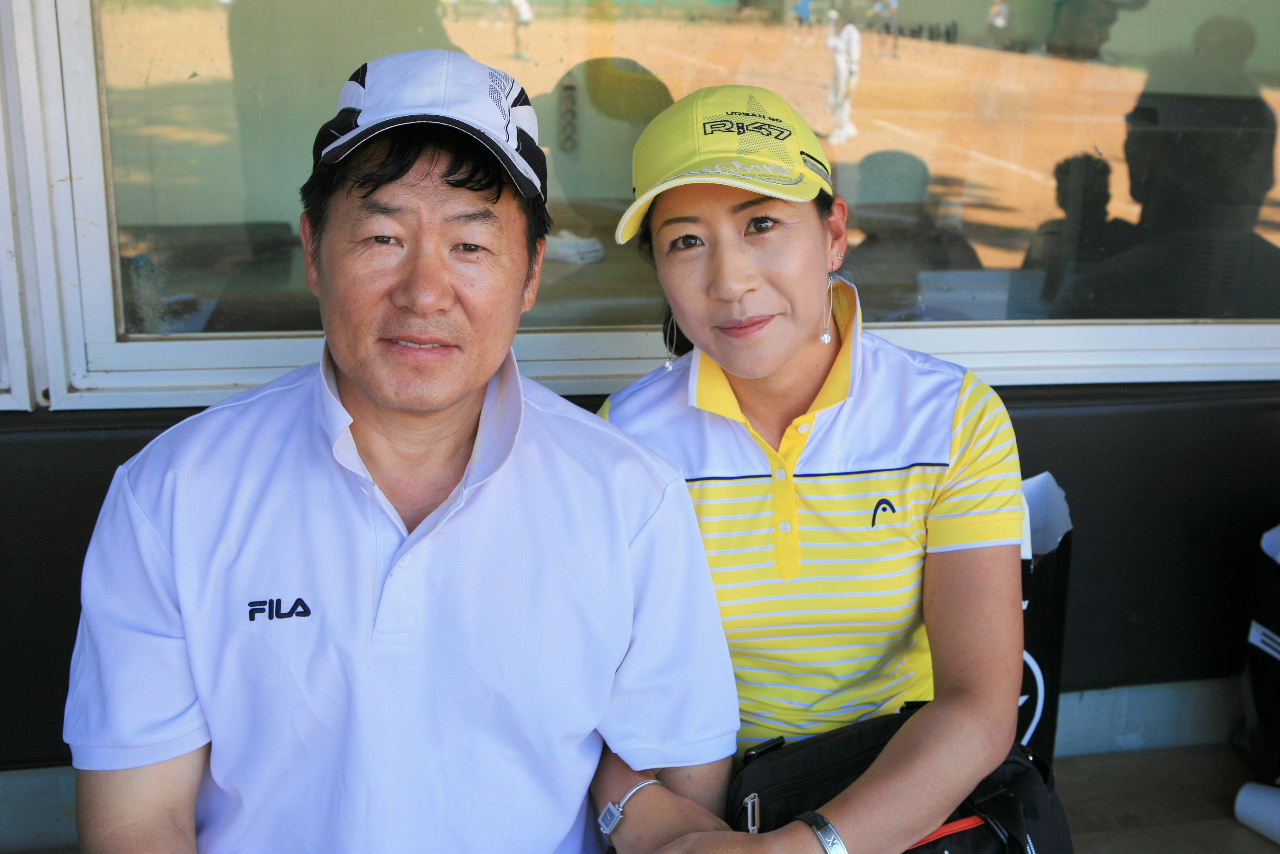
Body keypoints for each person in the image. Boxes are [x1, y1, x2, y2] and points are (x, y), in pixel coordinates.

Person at [64, 49, 740, 854]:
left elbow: (678, 790)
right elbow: (139, 820)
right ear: (313, 252)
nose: (423, 293)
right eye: (382, 237)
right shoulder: (174, 493)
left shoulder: (628, 497)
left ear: (531, 275)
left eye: (470, 246)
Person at [602, 85, 1026, 852]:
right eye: (686, 241)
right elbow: (599, 694)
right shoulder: (626, 439)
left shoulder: (950, 418)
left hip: (893, 791)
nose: (730, 281)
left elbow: (979, 707)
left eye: (761, 224)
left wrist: (803, 848)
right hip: (702, 803)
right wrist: (643, 817)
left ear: (834, 235)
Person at [826, 4, 862, 144]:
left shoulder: (852, 32)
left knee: (843, 102)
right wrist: (831, 25)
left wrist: (851, 76)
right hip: (839, 73)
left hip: (848, 74)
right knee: (832, 101)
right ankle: (848, 127)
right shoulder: (841, 31)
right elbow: (829, 44)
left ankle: (842, 131)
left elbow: (854, 54)